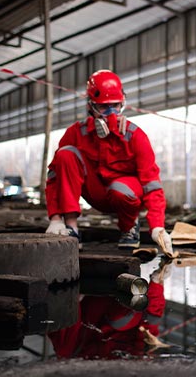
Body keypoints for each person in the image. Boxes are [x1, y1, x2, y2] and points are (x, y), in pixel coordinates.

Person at [45, 69, 173, 256]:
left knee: (121, 189)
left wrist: (157, 227)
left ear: (123, 103)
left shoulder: (135, 136)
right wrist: (55, 218)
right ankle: (71, 227)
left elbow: (152, 185)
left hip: (123, 196)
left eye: (116, 106)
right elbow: (54, 177)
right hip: (95, 193)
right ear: (91, 107)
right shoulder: (76, 134)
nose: (111, 113)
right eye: (104, 108)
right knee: (65, 154)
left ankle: (129, 226)